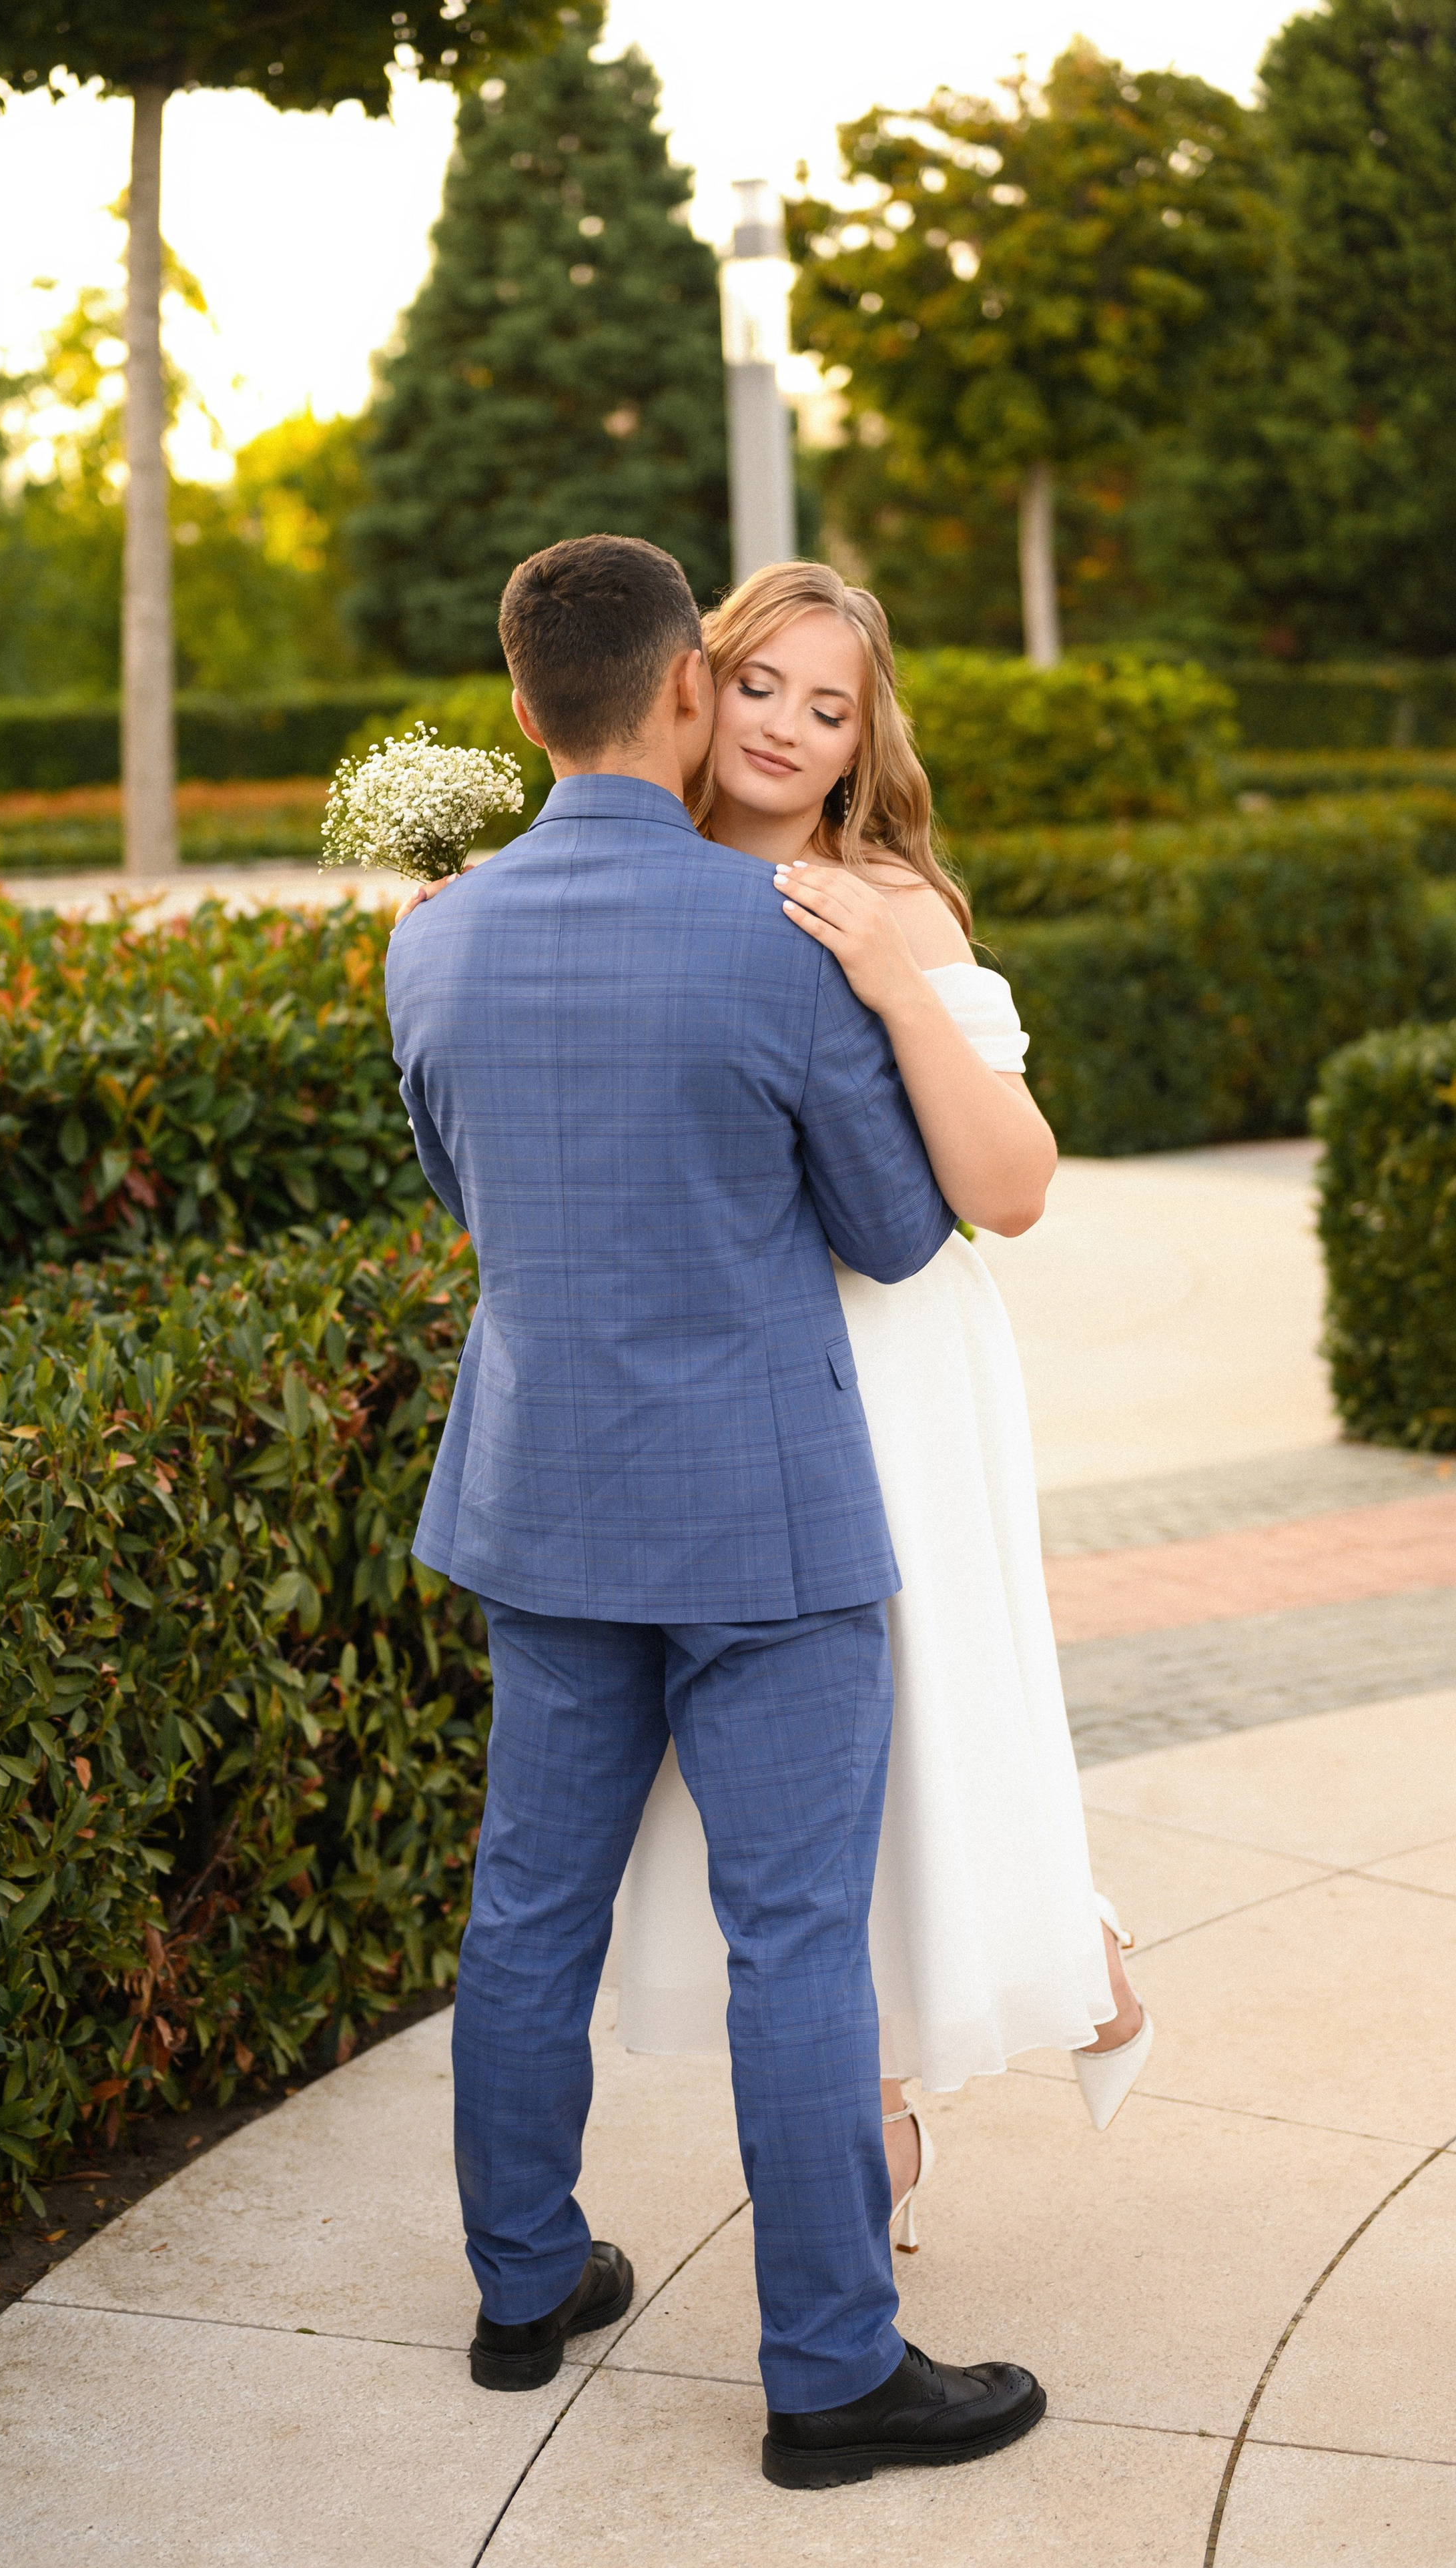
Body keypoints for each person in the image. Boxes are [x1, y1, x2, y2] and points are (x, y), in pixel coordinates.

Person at [385, 534, 1046, 2485]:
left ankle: (524, 2292)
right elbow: (892, 1225)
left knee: (526, 1914)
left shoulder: (429, 935)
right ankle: (831, 2374)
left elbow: (467, 1189)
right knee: (794, 1941)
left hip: (540, 1499)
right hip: (764, 1519)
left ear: (522, 707)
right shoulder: (781, 935)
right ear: (689, 685)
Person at [609, 563, 1154, 2245]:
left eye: (825, 707)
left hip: (895, 1367)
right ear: (696, 689)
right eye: (758, 684)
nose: (782, 727)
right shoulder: (635, 876)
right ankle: (874, 2114)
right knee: (750, 1777)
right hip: (707, 1384)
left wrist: (892, 983)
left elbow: (1013, 1188)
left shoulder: (889, 902)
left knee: (911, 1716)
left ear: (860, 746)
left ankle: (1044, 1975)